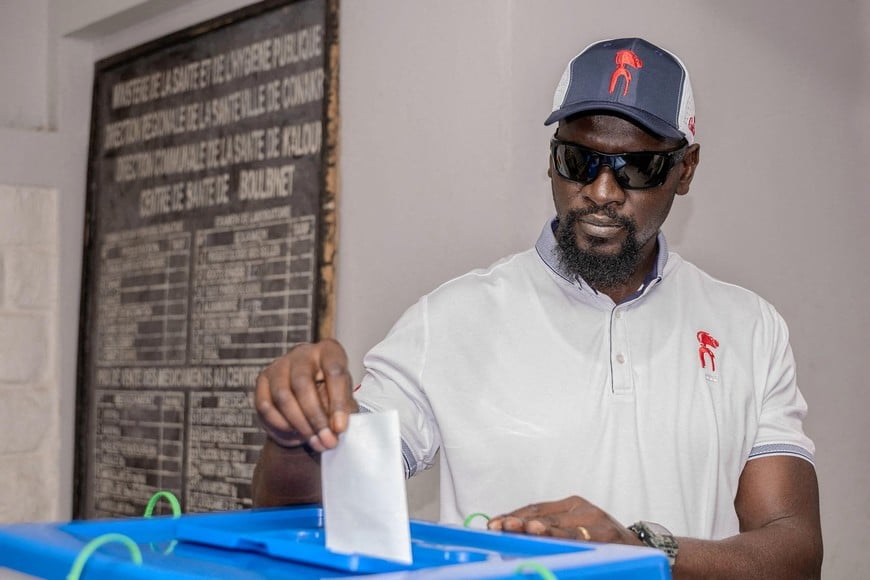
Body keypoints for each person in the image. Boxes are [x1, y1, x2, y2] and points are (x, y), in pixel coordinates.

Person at [252, 37, 823, 578]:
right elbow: (313, 506)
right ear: (551, 160)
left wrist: (647, 555)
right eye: (579, 160)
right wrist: (296, 431)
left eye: (636, 167)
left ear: (686, 169)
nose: (602, 191)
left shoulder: (748, 329)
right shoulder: (451, 320)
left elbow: (794, 552)